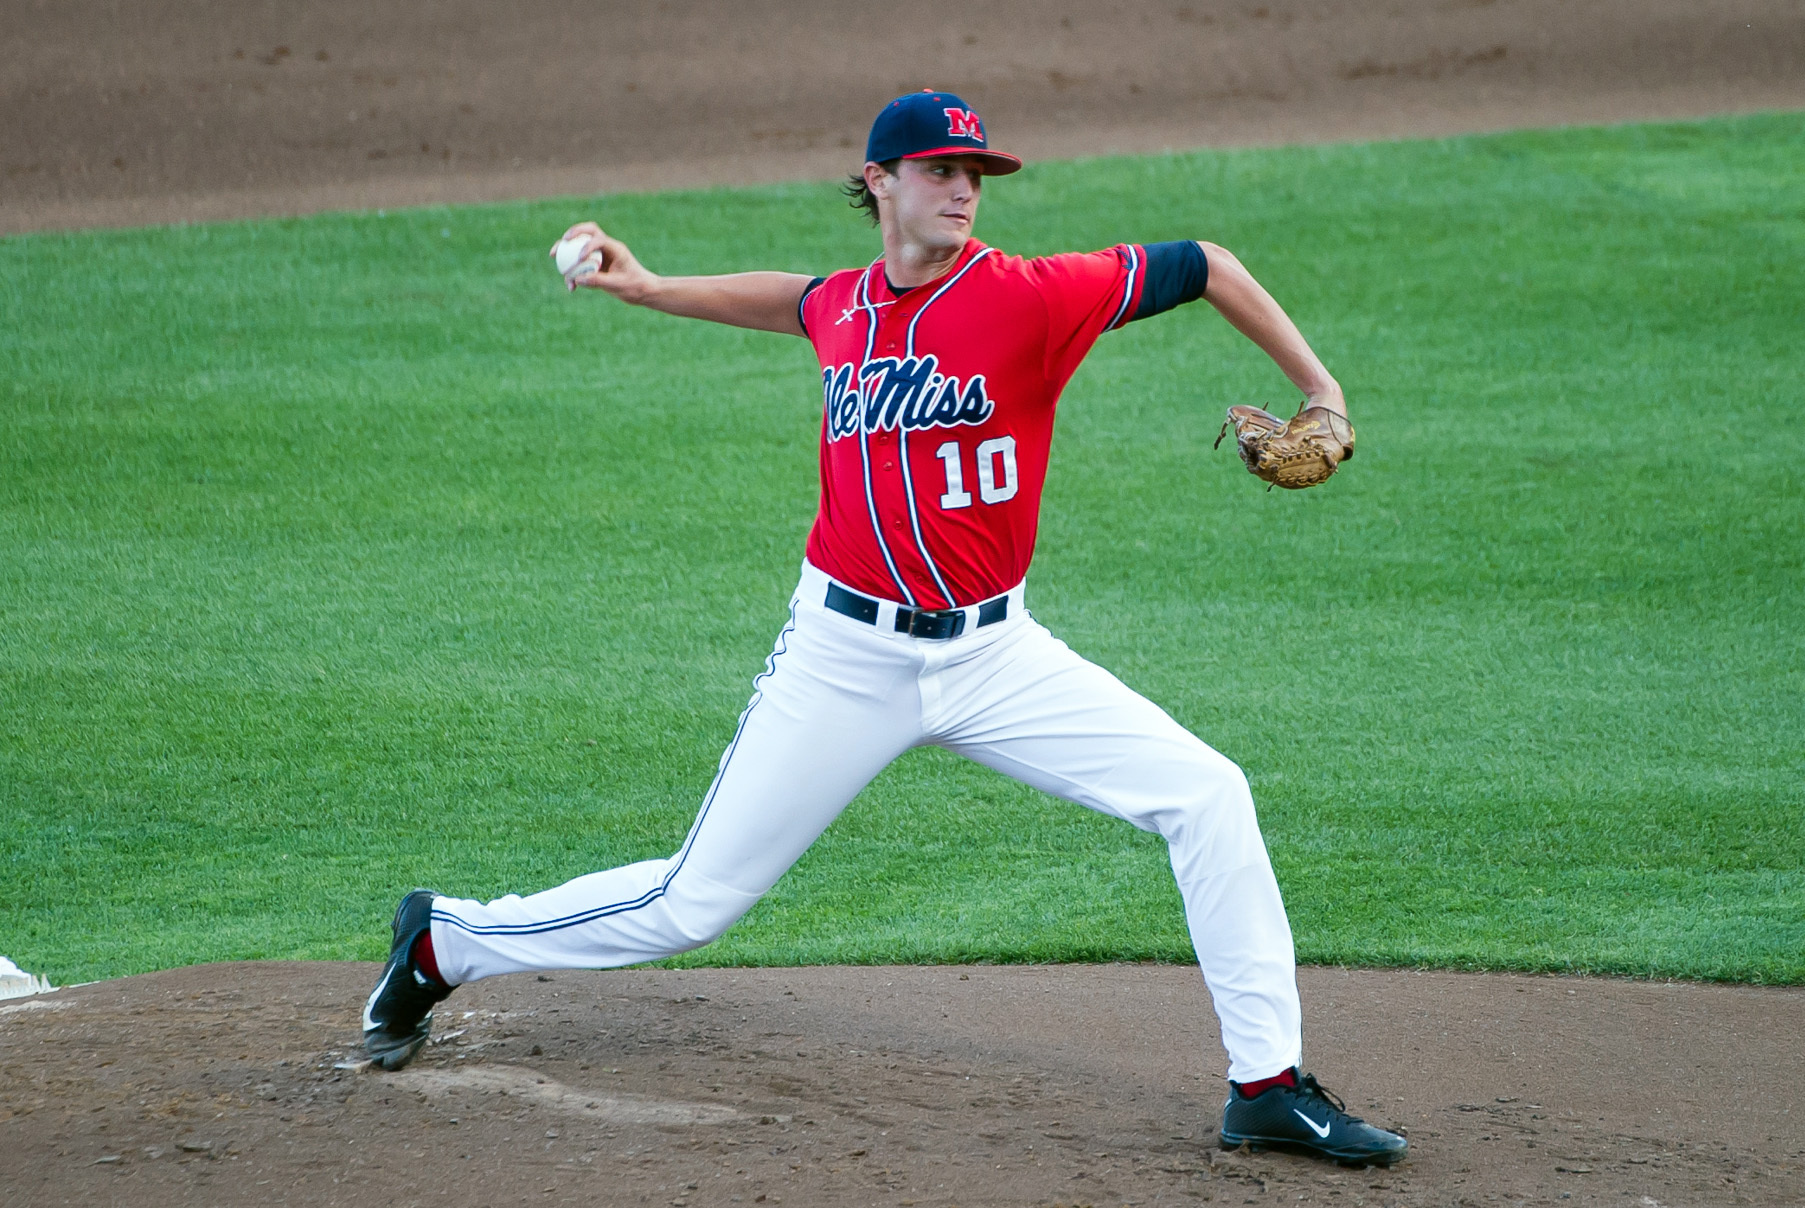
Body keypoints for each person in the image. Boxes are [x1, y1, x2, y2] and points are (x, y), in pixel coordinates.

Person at [362, 89, 1406, 1167]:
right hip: (842, 657)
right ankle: (445, 939)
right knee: (692, 903)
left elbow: (1207, 262)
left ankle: (1266, 1083)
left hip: (997, 655)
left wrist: (1318, 385)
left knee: (1207, 793)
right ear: (879, 183)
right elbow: (792, 298)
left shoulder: (1032, 298)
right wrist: (648, 285)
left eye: (975, 174)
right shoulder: (846, 307)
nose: (962, 188)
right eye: (940, 169)